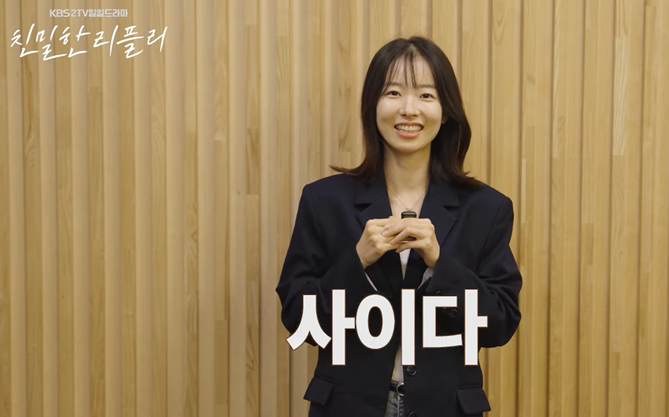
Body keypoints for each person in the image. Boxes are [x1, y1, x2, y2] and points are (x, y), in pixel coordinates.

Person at [275, 36, 522, 417]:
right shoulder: (323, 201)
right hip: (348, 407)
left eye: (426, 95)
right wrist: (357, 261)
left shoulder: (487, 208)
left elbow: (500, 323)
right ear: (372, 105)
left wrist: (441, 264)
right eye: (393, 92)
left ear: (445, 111)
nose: (409, 109)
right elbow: (298, 318)